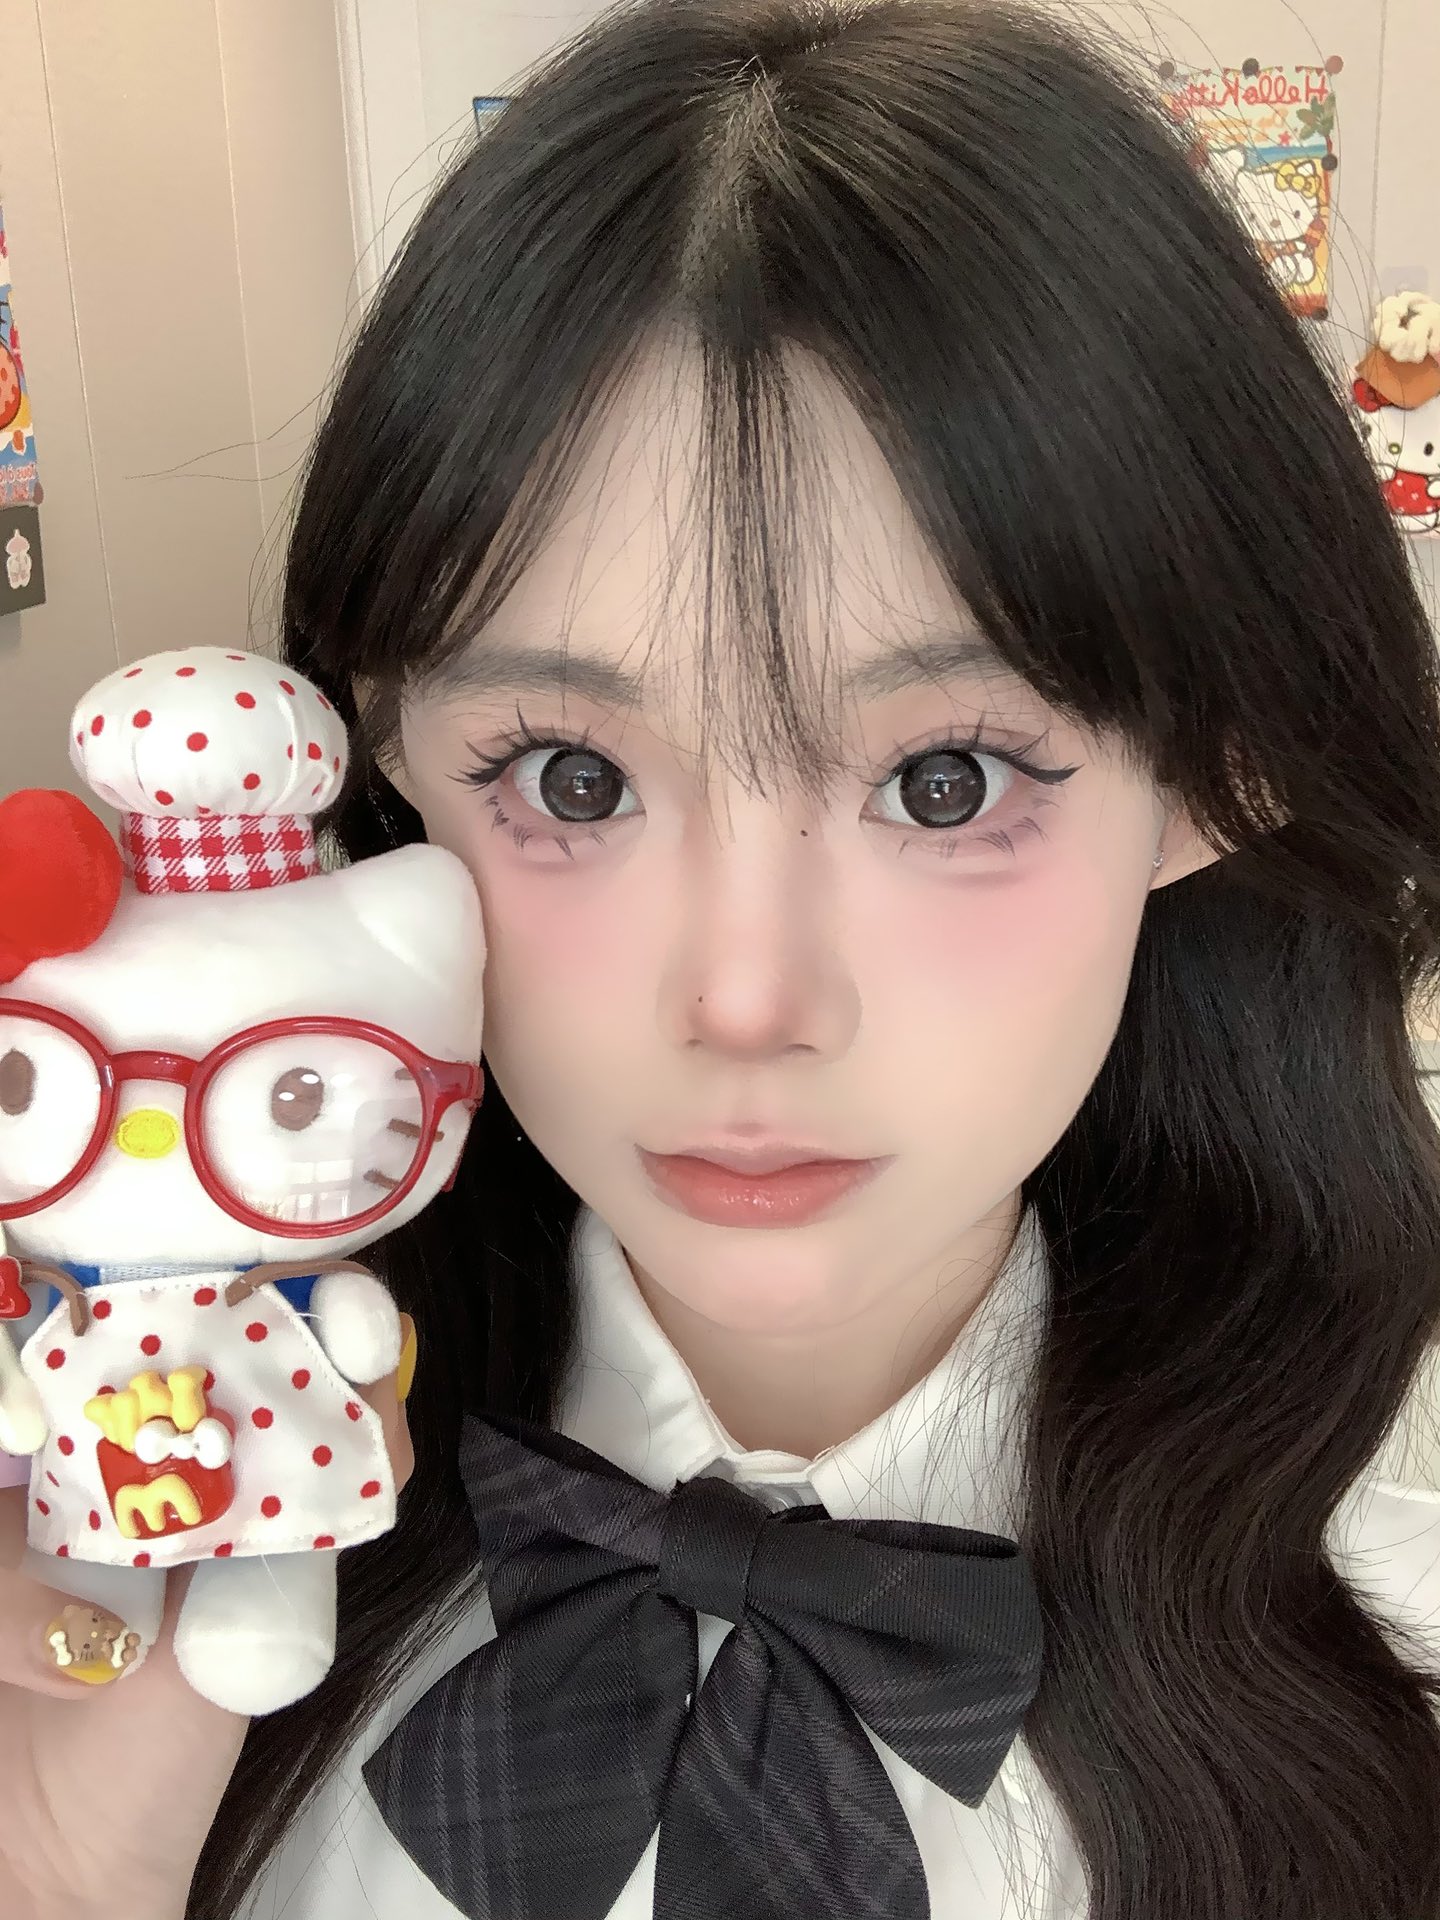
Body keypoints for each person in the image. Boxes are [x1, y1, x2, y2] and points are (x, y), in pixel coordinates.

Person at [4, 1, 1440, 1915]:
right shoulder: (171, 1576)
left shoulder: (1402, 1662)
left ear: (1219, 771)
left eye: (943, 782)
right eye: (574, 778)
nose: (747, 999)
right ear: (391, 765)